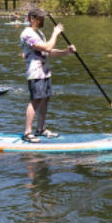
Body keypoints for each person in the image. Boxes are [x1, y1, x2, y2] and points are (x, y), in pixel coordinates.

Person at [20, 8, 75, 141]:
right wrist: (55, 33)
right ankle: (28, 132)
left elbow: (49, 52)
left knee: (45, 99)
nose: (43, 20)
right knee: (36, 100)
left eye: (43, 18)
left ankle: (40, 129)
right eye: (40, 18)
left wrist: (66, 51)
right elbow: (47, 47)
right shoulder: (27, 34)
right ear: (32, 19)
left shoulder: (39, 33)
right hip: (35, 73)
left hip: (45, 72)